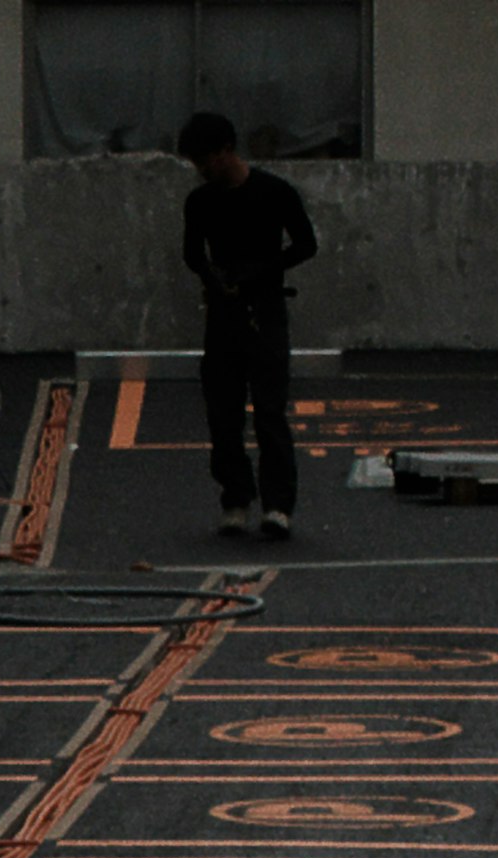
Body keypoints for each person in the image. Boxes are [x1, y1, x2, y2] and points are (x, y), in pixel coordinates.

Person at [180, 109, 318, 540]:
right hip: (224, 313)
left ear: (226, 150)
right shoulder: (200, 201)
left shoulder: (274, 193)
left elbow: (306, 245)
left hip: (266, 310)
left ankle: (278, 505)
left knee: (270, 411)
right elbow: (191, 252)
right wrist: (214, 277)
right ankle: (236, 498)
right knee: (223, 412)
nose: (202, 170)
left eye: (206, 160)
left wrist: (257, 273)